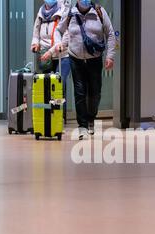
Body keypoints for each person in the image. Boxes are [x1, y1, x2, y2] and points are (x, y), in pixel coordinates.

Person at [56, 0, 116, 140]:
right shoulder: (70, 13)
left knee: (95, 92)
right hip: (75, 58)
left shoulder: (99, 12)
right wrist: (59, 42)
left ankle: (91, 119)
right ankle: (82, 125)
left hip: (94, 59)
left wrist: (110, 56)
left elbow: (111, 34)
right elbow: (59, 30)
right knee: (79, 91)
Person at [31, 0, 71, 121]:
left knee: (59, 84)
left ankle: (60, 115)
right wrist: (35, 43)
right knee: (45, 85)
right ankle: (47, 115)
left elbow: (65, 37)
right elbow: (36, 32)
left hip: (62, 55)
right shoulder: (41, 12)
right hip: (45, 55)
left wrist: (51, 52)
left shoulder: (63, 11)